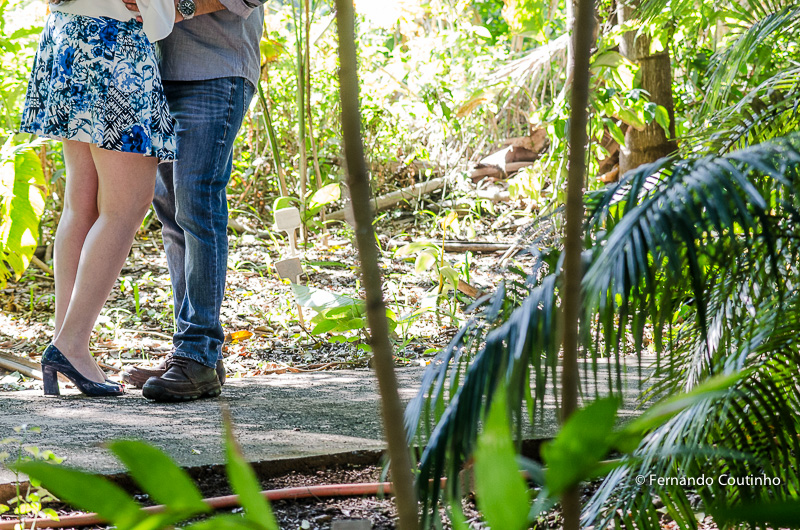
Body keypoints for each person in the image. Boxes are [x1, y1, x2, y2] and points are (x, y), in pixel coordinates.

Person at [21, 0, 178, 396]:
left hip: (69, 39)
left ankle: (67, 343)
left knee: (83, 204)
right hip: (113, 49)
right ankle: (70, 344)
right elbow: (158, 14)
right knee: (126, 207)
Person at [118, 0, 267, 402]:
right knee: (171, 214)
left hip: (215, 68)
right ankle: (197, 353)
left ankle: (197, 350)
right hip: (157, 73)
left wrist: (171, 8)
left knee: (196, 204)